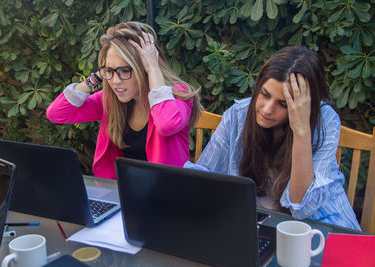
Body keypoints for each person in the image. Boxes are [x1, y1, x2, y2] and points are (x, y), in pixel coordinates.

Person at [184, 46, 361, 230]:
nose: (267, 109)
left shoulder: (324, 122)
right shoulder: (239, 115)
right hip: (259, 226)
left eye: (283, 104)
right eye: (265, 94)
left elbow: (303, 207)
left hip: (320, 225)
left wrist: (301, 130)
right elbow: (204, 175)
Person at [47, 21, 202, 179]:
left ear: (145, 68)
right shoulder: (110, 100)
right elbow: (57, 113)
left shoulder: (178, 95)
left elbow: (167, 124)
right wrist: (98, 76)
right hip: (121, 193)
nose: (115, 81)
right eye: (110, 71)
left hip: (168, 194)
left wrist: (154, 68)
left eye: (125, 70)